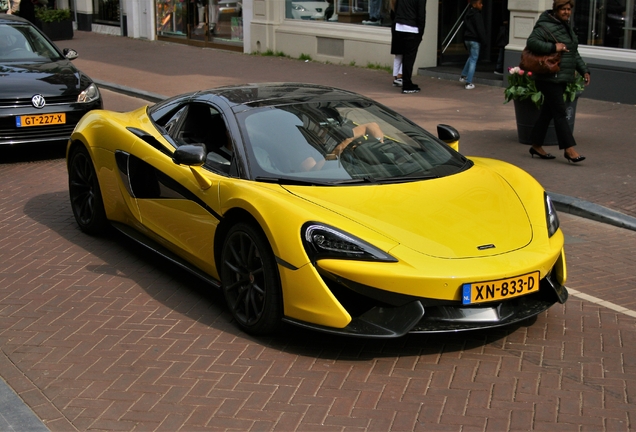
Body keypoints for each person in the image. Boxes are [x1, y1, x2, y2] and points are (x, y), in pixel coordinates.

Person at [527, 0, 591, 163]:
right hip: (548, 76)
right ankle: (569, 149)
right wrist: (553, 48)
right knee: (560, 113)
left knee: (548, 112)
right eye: (563, 9)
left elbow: (573, 52)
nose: (566, 12)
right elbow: (532, 43)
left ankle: (536, 145)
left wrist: (584, 70)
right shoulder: (545, 25)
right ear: (556, 10)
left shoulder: (565, 26)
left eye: (569, 9)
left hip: (560, 77)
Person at [392, 0, 426, 94]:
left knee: (405, 56)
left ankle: (405, 81)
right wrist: (421, 32)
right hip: (412, 29)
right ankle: (407, 84)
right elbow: (421, 14)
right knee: (409, 58)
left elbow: (395, 8)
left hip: (399, 26)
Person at [459, 0, 486, 90]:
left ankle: (463, 75)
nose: (482, 5)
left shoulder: (467, 14)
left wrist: (464, 39)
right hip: (475, 39)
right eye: (480, 3)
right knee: (473, 60)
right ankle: (468, 82)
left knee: (471, 57)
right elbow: (480, 29)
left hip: (467, 38)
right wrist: (484, 41)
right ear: (474, 4)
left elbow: (464, 28)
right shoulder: (477, 15)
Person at [390, 0, 403, 87]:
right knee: (406, 54)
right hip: (401, 28)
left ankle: (396, 75)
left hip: (395, 28)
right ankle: (400, 75)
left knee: (398, 54)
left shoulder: (393, 5)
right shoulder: (401, 5)